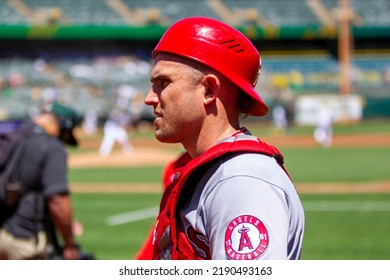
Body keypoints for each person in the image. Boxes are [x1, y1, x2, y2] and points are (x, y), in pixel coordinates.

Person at [136, 17, 305, 260]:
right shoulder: (215, 171)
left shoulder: (241, 180)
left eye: (163, 83)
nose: (149, 98)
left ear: (209, 90)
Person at [0, 103, 80, 260]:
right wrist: (69, 243)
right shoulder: (51, 146)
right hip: (23, 239)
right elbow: (57, 199)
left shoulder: (10, 135)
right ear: (62, 125)